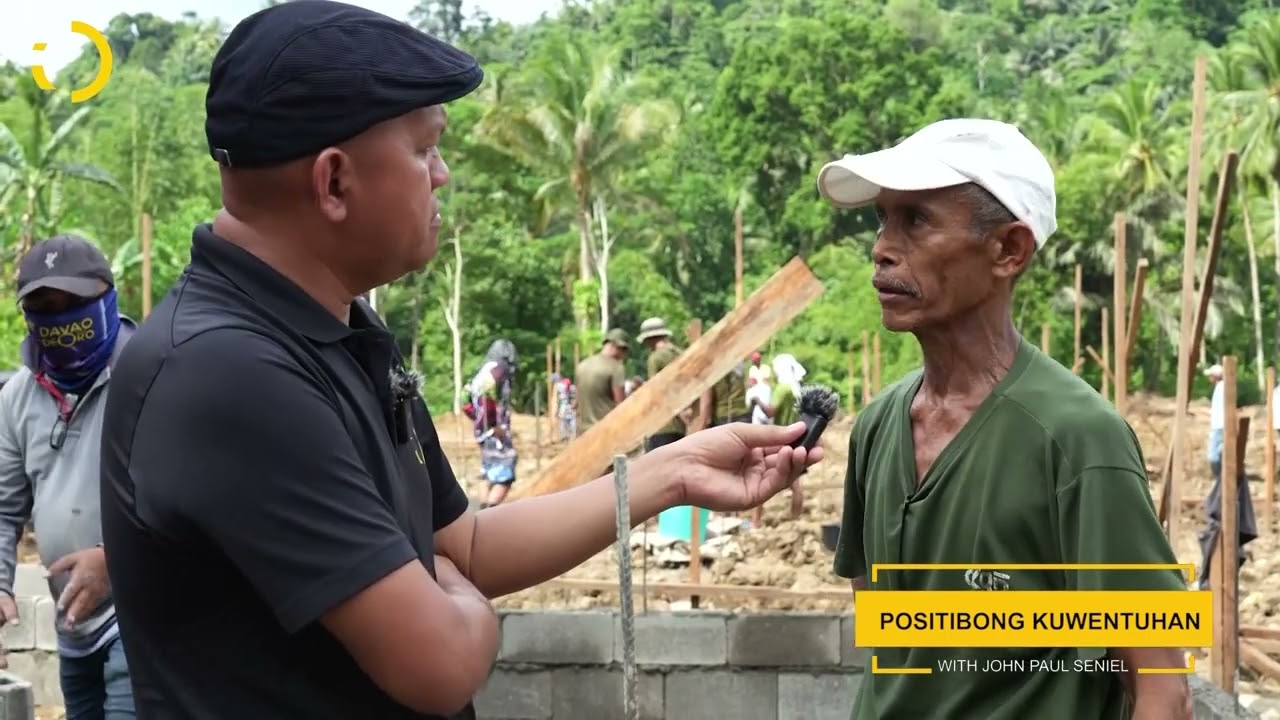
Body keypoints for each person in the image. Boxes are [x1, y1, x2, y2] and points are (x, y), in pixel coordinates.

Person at [97, 4, 822, 718]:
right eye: (423, 149)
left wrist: (674, 473)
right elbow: (439, 664)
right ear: (334, 181)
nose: (440, 175)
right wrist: (451, 592)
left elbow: (463, 543)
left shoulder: (341, 332)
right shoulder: (224, 373)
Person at [818, 118, 1191, 719]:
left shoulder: (1078, 439)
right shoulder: (877, 426)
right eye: (881, 219)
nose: (882, 248)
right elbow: (886, 635)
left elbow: (1161, 689)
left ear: (1008, 251)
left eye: (916, 220)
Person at [0, 235, 137, 718]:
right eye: (44, 307)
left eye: (73, 305)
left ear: (107, 298)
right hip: (72, 626)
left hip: (141, 615)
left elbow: (190, 499)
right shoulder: (17, 398)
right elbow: (3, 508)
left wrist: (114, 559)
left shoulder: (151, 375)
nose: (60, 320)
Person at [1194, 363, 1256, 589]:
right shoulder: (1220, 389)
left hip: (1221, 429)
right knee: (1216, 459)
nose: (1209, 379)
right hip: (1219, 427)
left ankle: (1223, 478)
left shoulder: (1223, 387)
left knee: (1215, 458)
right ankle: (1222, 479)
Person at [749, 354, 807, 523]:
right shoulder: (797, 389)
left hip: (781, 439)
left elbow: (771, 412)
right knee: (795, 483)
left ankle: (755, 522)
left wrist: (757, 401)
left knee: (760, 477)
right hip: (797, 439)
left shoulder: (783, 388)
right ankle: (795, 519)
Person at [638, 317, 688, 452]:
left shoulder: (655, 358)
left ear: (650, 338)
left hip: (662, 425)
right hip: (681, 424)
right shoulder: (680, 353)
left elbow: (655, 392)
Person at [575, 328, 629, 435]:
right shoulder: (616, 367)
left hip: (583, 432)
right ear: (619, 347)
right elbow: (621, 405)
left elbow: (576, 403)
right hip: (605, 432)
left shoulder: (582, 365)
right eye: (624, 350)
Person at [554, 376, 577, 441]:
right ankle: (565, 437)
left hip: (570, 410)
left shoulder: (572, 389)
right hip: (566, 410)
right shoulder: (563, 392)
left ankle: (571, 437)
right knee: (564, 424)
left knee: (572, 425)